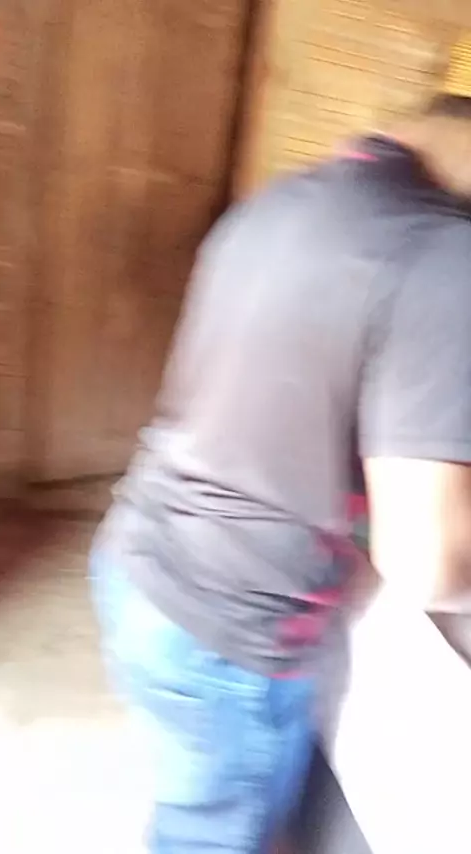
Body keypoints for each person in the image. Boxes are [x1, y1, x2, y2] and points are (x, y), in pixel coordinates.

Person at [90, 92, 471, 853]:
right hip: (232, 626)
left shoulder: (280, 203)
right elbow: (428, 564)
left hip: (137, 560)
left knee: (195, 803)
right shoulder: (446, 255)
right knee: (218, 832)